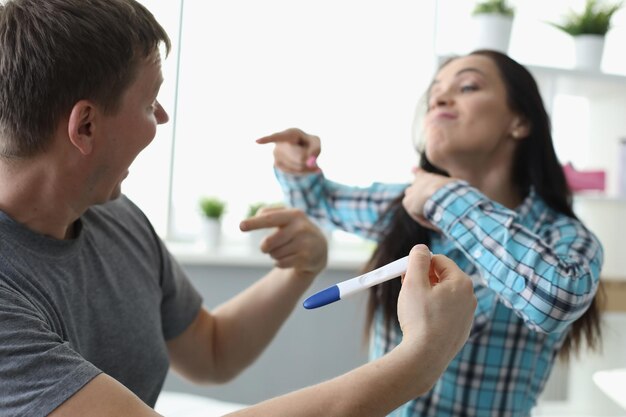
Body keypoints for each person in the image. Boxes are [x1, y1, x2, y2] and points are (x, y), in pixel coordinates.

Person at [0, 1, 478, 416]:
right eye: (149, 103)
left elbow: (212, 353)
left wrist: (297, 271)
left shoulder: (114, 218)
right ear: (84, 126)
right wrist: (422, 357)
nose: (161, 117)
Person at [259, 49, 605, 416]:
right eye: (435, 91)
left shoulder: (567, 237)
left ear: (519, 121)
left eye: (468, 85)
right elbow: (320, 202)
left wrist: (444, 195)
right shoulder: (405, 204)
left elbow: (554, 299)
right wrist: (296, 163)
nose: (438, 98)